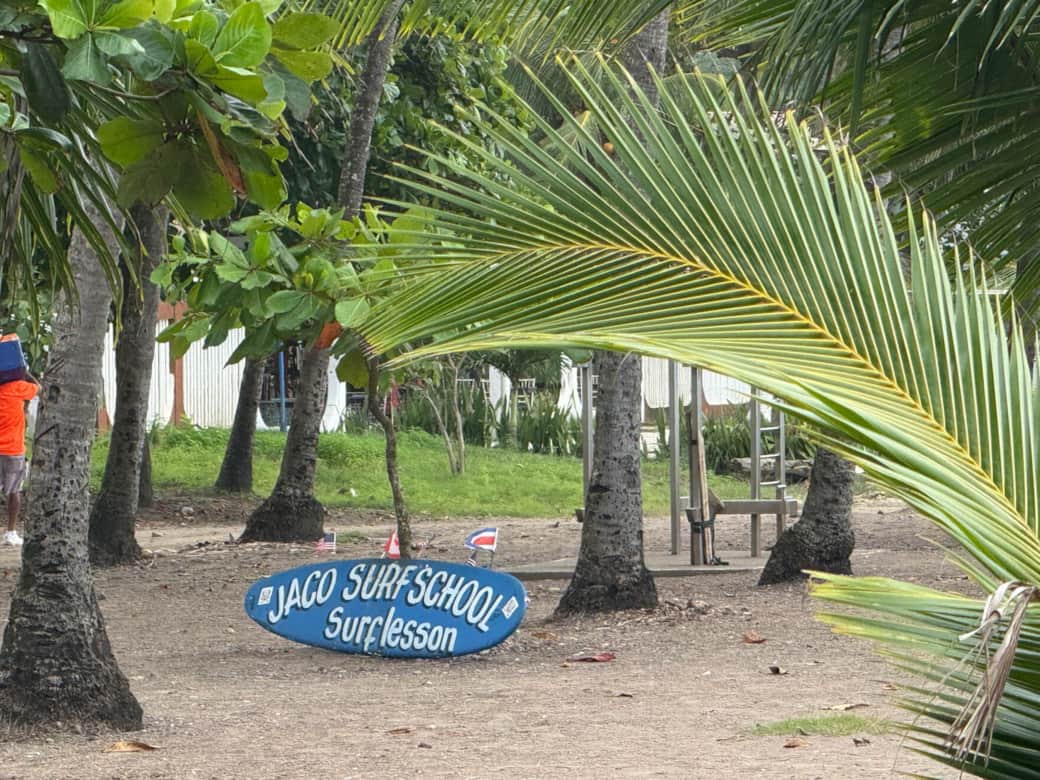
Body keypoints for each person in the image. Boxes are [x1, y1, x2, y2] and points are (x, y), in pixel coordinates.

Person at [0, 370, 39, 545]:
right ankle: (11, 532)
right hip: (13, 450)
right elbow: (40, 389)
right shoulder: (18, 387)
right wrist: (26, 373)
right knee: (14, 491)